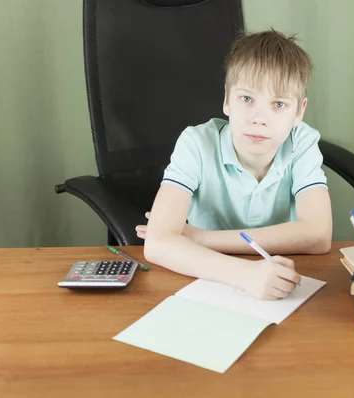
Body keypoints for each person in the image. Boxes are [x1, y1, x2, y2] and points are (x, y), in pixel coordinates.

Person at [140, 29, 332, 300]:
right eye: (246, 99)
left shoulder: (302, 142)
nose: (259, 118)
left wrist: (202, 238)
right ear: (227, 100)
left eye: (278, 104)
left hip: (280, 277)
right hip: (205, 279)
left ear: (299, 112)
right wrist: (244, 274)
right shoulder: (196, 143)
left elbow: (318, 235)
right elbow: (157, 244)